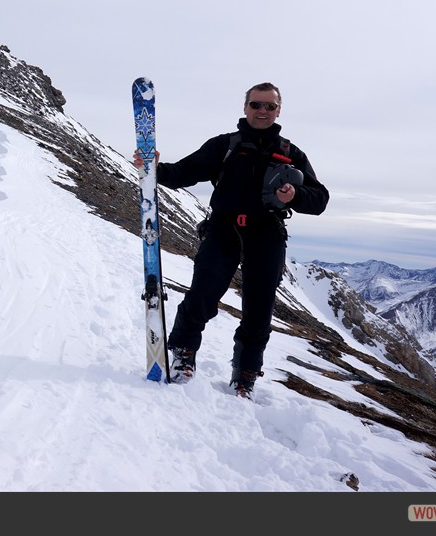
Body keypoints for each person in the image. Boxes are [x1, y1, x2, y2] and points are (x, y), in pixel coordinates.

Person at [134, 81, 329, 398]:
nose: (262, 111)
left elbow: (320, 199)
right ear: (245, 107)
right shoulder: (223, 146)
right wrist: (154, 168)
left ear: (278, 110)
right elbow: (185, 172)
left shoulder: (291, 154)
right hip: (223, 231)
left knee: (259, 309)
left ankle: (245, 374)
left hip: (267, 236)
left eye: (269, 106)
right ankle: (183, 355)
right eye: (256, 104)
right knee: (201, 296)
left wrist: (295, 194)